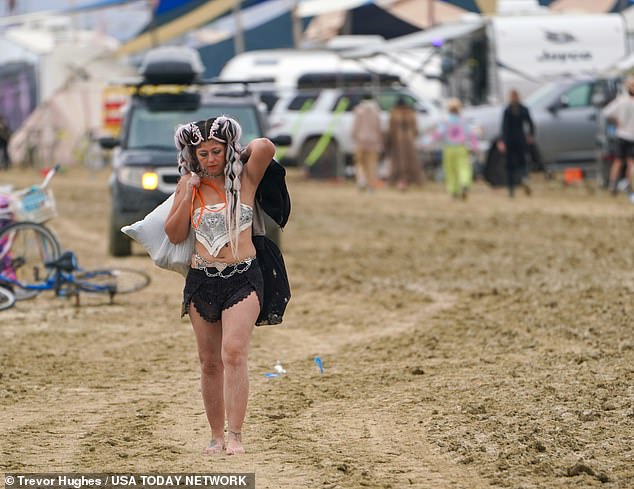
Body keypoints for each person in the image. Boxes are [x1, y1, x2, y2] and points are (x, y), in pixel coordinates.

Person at [165, 116, 276, 456]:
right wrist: (188, 193)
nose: (211, 159)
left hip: (243, 276)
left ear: (227, 150)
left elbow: (266, 147)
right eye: (203, 153)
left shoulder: (245, 179)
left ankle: (237, 436)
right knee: (209, 361)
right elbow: (174, 234)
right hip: (202, 279)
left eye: (217, 151)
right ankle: (216, 436)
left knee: (234, 352)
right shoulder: (188, 183)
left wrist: (237, 150)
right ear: (192, 155)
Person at [434, 98, 478, 199]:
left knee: (450, 170)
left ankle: (453, 191)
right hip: (461, 148)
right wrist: (474, 146)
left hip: (448, 148)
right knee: (464, 168)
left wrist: (427, 141)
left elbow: (439, 133)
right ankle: (464, 183)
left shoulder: (445, 121)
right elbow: (471, 134)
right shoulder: (464, 121)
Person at [497, 89, 534, 197]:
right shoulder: (524, 109)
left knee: (510, 166)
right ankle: (524, 178)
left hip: (509, 141)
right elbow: (530, 124)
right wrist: (530, 135)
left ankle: (511, 190)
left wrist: (502, 141)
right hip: (521, 139)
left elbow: (504, 127)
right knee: (522, 163)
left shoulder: (507, 110)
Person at [601, 76, 634, 197]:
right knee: (631, 163)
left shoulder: (621, 100)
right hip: (632, 137)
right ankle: (627, 185)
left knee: (618, 161)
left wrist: (616, 121)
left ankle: (612, 185)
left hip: (621, 135)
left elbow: (606, 112)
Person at [387, 96, 421, 191]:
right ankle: (411, 180)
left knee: (398, 162)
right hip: (409, 141)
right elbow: (415, 129)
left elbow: (391, 129)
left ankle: (399, 180)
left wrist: (390, 141)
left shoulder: (394, 113)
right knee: (411, 161)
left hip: (398, 141)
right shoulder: (411, 113)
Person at [351, 93, 383, 191]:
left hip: (360, 140)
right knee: (371, 164)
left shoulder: (358, 110)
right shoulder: (376, 111)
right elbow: (378, 127)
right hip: (373, 141)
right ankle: (370, 185)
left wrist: (354, 136)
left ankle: (361, 181)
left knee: (360, 163)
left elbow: (355, 127)